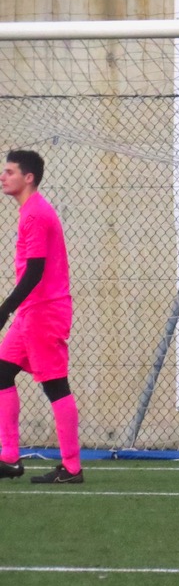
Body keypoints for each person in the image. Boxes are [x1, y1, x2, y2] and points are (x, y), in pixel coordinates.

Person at [0, 150, 83, 484]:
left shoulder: (35, 213)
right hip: (30, 312)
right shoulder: (30, 211)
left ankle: (72, 467)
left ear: (28, 177)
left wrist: (4, 309)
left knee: (55, 386)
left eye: (9, 172)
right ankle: (8, 457)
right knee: (2, 371)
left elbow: (35, 271)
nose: (3, 177)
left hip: (44, 311)